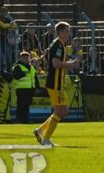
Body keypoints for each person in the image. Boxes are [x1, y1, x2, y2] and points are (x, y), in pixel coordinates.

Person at [33, 20, 77, 148]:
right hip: (55, 82)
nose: (69, 34)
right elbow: (55, 64)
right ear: (61, 32)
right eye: (67, 31)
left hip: (58, 82)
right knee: (60, 111)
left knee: (63, 111)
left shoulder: (60, 45)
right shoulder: (57, 45)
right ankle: (46, 139)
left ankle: (40, 131)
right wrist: (71, 64)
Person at [10, 50, 37, 124]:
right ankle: (19, 119)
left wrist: (36, 87)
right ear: (21, 58)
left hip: (30, 88)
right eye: (24, 57)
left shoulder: (31, 67)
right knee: (21, 105)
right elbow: (16, 76)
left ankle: (26, 119)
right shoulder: (17, 66)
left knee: (27, 105)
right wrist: (23, 73)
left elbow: (34, 77)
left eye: (27, 57)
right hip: (21, 88)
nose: (26, 59)